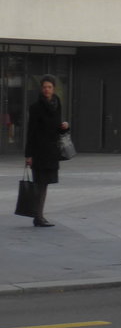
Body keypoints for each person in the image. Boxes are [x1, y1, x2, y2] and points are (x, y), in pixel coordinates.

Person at [24, 74, 70, 228]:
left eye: (49, 87)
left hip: (51, 151)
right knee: (40, 184)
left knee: (44, 185)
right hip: (39, 151)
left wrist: (64, 127)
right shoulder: (35, 107)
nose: (47, 90)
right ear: (41, 89)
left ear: (53, 89)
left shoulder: (57, 104)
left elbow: (57, 128)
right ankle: (38, 217)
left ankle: (39, 216)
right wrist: (28, 155)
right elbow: (31, 132)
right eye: (44, 87)